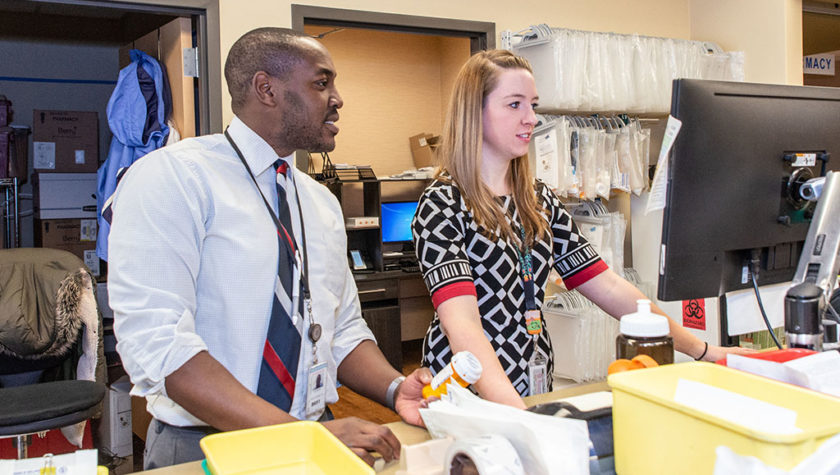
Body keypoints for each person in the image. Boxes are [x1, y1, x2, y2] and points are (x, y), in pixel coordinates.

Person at [108, 27, 430, 469]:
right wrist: (302, 437)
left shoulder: (319, 203)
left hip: (314, 429)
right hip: (206, 444)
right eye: (322, 83)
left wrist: (397, 389)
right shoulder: (174, 179)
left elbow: (344, 330)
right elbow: (161, 345)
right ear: (267, 89)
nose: (338, 98)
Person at [411, 49, 754, 409]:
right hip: (466, 395)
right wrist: (516, 412)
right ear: (474, 113)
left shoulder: (537, 199)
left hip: (531, 385)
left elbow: (606, 286)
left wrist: (703, 351)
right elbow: (461, 324)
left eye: (533, 105)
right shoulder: (443, 203)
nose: (530, 118)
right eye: (514, 105)